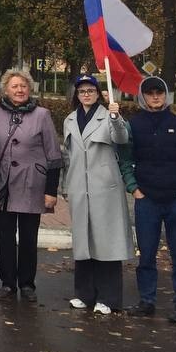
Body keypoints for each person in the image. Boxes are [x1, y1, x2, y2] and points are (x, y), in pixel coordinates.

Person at [120, 75, 176, 324]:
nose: (155, 97)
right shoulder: (132, 126)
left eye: (159, 92)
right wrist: (133, 187)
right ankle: (147, 300)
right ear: (142, 96)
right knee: (146, 254)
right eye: (150, 93)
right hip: (146, 201)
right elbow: (124, 159)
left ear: (166, 95)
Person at [0, 68, 62, 302]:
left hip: (31, 185)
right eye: (15, 86)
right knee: (4, 236)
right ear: (6, 90)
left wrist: (51, 190)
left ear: (30, 89)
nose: (20, 90)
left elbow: (54, 155)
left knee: (28, 238)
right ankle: (7, 284)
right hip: (3, 185)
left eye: (24, 86)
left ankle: (27, 284)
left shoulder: (42, 115)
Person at [60, 74, 131, 315]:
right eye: (82, 91)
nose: (86, 94)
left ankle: (108, 298)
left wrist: (115, 116)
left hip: (105, 189)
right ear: (76, 95)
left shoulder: (108, 116)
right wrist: (65, 186)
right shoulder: (70, 119)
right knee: (83, 242)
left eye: (91, 90)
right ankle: (84, 294)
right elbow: (67, 156)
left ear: (99, 93)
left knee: (106, 243)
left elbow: (121, 138)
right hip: (79, 187)